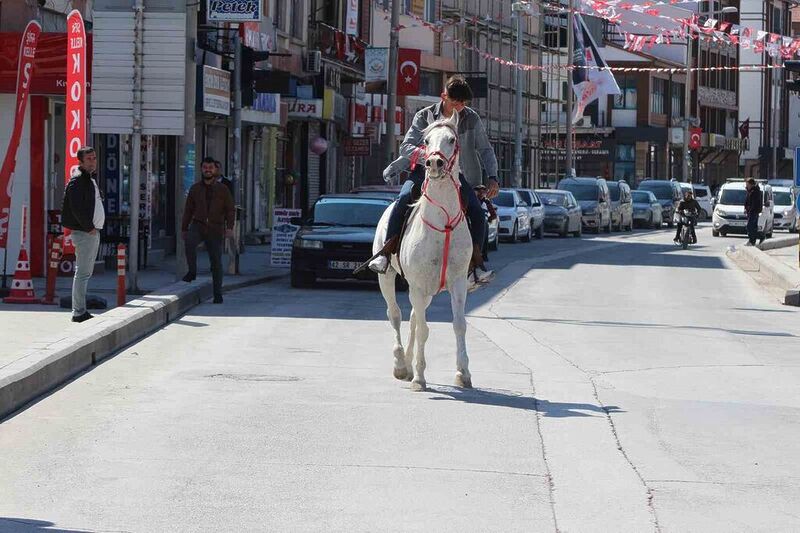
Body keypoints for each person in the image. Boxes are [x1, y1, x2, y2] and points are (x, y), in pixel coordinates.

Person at [368, 75, 500, 274]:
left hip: (455, 175)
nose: (460, 107)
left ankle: (476, 264)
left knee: (476, 212)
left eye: (463, 103)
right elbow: (406, 147)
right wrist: (431, 157)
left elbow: (485, 149)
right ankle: (386, 254)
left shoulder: (471, 118)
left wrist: (493, 177)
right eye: (455, 102)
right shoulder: (424, 116)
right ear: (443, 97)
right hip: (425, 171)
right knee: (403, 200)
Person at [182, 157, 235, 303]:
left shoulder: (223, 189)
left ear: (215, 170)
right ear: (201, 169)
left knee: (216, 261)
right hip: (198, 225)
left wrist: (230, 227)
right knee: (189, 243)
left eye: (210, 167)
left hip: (215, 227)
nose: (208, 170)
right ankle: (192, 272)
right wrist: (184, 228)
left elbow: (230, 210)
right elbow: (188, 210)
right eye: (205, 167)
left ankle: (217, 293)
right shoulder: (195, 188)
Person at [62, 146, 105, 323]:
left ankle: (80, 310)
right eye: (89, 159)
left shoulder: (88, 179)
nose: (93, 161)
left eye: (94, 158)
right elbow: (75, 207)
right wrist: (89, 227)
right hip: (85, 233)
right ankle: (79, 312)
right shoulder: (78, 180)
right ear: (80, 161)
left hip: (91, 232)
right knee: (82, 273)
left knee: (84, 273)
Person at [475, 184, 497, 262]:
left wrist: (489, 219)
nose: (481, 193)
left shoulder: (487, 202)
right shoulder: (473, 201)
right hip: (474, 222)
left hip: (484, 222)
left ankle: (483, 255)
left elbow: (493, 215)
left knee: (484, 237)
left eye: (483, 191)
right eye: (479, 191)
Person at [744, 178, 763, 246]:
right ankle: (753, 241)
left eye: (748, 184)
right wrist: (745, 208)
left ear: (751, 184)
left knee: (749, 227)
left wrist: (750, 210)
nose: (746, 185)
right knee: (753, 227)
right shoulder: (750, 191)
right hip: (751, 211)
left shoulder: (755, 192)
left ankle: (760, 237)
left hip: (753, 212)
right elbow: (747, 201)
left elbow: (754, 203)